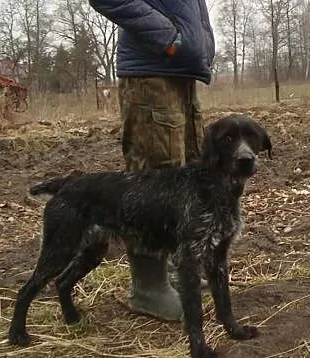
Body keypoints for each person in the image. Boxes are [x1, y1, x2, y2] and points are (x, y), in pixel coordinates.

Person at [88, 0, 215, 321]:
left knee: (184, 176)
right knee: (154, 181)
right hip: (150, 74)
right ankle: (149, 288)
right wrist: (169, 39)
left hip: (179, 73)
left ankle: (174, 270)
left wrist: (194, 48)